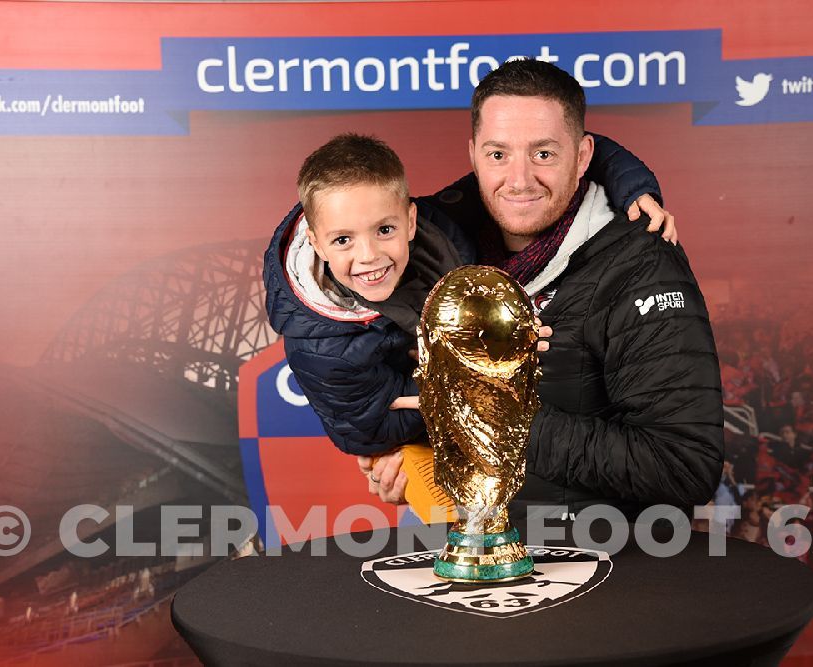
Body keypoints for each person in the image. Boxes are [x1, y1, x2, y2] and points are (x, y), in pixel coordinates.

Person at [363, 59, 723, 518]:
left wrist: (502, 420)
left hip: (604, 553)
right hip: (469, 545)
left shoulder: (642, 263)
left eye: (544, 154)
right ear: (473, 155)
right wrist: (411, 463)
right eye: (498, 155)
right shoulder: (437, 249)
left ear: (584, 156)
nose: (519, 180)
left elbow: (684, 466)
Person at [265, 129, 675, 500]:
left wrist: (634, 190)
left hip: (531, 458)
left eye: (384, 230)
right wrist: (482, 362)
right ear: (316, 243)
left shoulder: (443, 227)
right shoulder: (322, 348)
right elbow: (370, 431)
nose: (368, 255)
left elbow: (579, 150)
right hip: (443, 453)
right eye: (343, 240)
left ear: (410, 221)